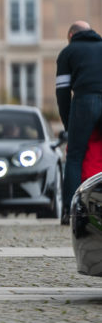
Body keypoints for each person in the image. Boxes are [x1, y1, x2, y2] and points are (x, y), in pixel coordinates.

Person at [55, 20, 102, 224]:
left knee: (74, 156)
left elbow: (62, 92)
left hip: (85, 101)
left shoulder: (69, 52)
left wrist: (68, 125)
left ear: (71, 36)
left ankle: (71, 212)